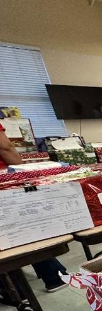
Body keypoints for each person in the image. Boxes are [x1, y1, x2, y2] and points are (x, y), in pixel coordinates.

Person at [0, 125, 67, 293]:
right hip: (4, 183)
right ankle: (54, 277)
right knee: (24, 230)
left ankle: (13, 291)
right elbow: (5, 147)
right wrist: (22, 172)